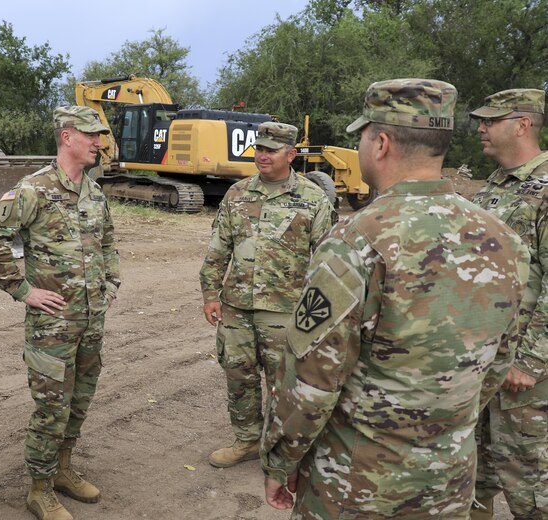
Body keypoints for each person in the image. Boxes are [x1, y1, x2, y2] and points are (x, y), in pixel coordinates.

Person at [260, 78, 531, 519]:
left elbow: (312, 379)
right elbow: (497, 362)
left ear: (380, 142)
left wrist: (281, 460)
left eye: (363, 136)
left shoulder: (356, 240)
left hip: (357, 484)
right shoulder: (505, 240)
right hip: (449, 480)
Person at [0, 106, 120, 520]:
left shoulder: (94, 193)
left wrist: (110, 284)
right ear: (67, 137)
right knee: (51, 408)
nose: (99, 143)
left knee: (79, 401)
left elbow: (108, 243)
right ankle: (39, 489)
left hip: (91, 322)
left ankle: (62, 469)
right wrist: (24, 290)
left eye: (100, 136)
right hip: (51, 327)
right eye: (91, 135)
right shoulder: (33, 189)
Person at [199, 121, 334, 468]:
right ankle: (245, 439)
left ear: (290, 154)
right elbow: (218, 249)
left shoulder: (312, 198)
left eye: (270, 150)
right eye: (258, 148)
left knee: (285, 383)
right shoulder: (238, 193)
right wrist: (210, 293)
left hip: (286, 310)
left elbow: (326, 263)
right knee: (238, 376)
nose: (261, 155)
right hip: (237, 306)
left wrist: (317, 314)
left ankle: (281, 448)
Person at [469, 88, 548, 519]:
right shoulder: (494, 186)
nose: (481, 128)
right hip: (483, 361)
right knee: (474, 476)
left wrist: (532, 362)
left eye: (490, 120)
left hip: (524, 375)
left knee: (529, 484)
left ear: (522, 125)